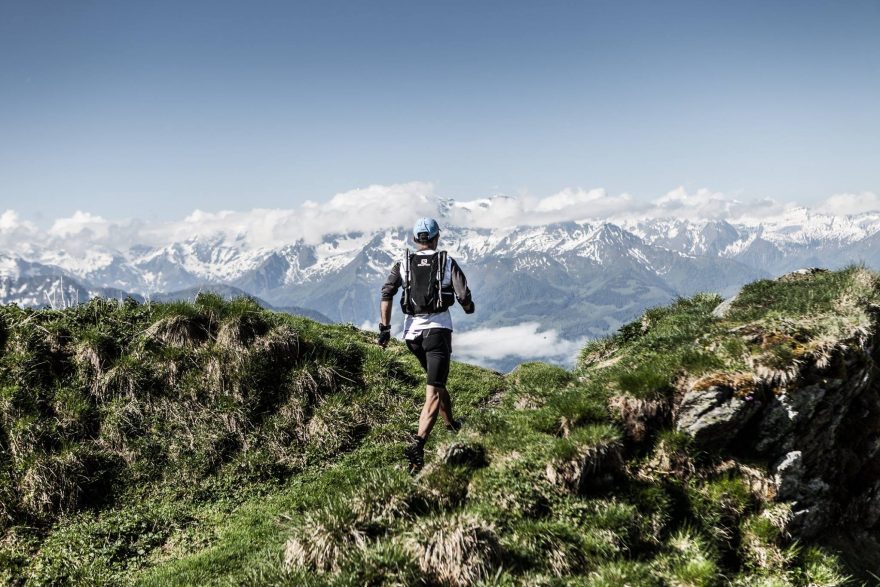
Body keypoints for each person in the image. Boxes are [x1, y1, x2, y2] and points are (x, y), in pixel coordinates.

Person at [377, 217, 475, 474]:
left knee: (436, 382)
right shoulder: (446, 262)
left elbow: (386, 292)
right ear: (436, 237)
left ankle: (452, 424)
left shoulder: (403, 264)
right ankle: (418, 448)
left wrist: (384, 329)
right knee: (432, 390)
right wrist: (468, 307)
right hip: (438, 333)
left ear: (415, 240)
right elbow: (463, 295)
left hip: (412, 337)